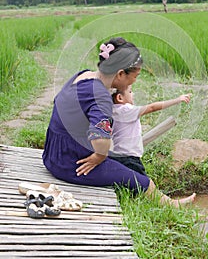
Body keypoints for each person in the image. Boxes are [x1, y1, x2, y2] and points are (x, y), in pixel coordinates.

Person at [42, 37, 195, 208]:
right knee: (141, 181)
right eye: (135, 76)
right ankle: (171, 205)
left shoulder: (84, 75)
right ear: (121, 74)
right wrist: (99, 156)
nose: (135, 81)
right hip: (71, 163)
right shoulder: (100, 96)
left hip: (52, 153)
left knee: (122, 160)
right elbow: (99, 138)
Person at [109, 85, 192, 177]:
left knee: (128, 181)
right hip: (129, 157)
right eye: (130, 92)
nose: (133, 94)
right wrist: (177, 100)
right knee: (144, 184)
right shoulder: (126, 109)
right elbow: (152, 107)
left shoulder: (112, 111)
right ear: (120, 98)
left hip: (118, 156)